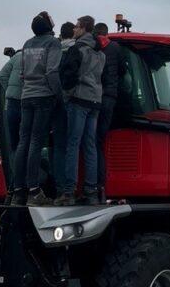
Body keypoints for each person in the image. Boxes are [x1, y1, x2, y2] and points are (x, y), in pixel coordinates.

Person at [11, 11, 62, 206]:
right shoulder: (53, 43)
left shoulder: (27, 44)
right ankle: (34, 191)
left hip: (27, 97)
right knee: (35, 142)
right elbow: (51, 71)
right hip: (44, 97)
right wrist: (59, 95)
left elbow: (22, 74)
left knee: (23, 142)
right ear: (50, 26)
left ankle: (18, 191)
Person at [58, 15, 105, 205]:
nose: (74, 30)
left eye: (77, 27)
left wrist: (67, 93)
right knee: (90, 146)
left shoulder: (77, 49)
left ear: (84, 28)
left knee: (72, 144)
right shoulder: (100, 52)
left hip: (78, 99)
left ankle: (69, 191)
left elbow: (67, 73)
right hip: (95, 101)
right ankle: (90, 190)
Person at [93, 22, 124, 203]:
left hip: (95, 97)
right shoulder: (116, 48)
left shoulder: (93, 48)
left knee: (93, 143)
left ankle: (96, 184)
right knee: (100, 141)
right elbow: (122, 70)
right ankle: (101, 185)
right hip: (110, 98)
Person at [50, 21, 75, 199]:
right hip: (75, 101)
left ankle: (60, 187)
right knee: (74, 144)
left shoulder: (54, 51)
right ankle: (72, 186)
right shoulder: (78, 50)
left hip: (56, 102)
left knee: (58, 146)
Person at [0, 48, 23, 182]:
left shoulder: (16, 58)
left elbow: (1, 76)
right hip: (29, 105)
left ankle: (15, 183)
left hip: (11, 105)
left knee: (14, 146)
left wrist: (10, 90)